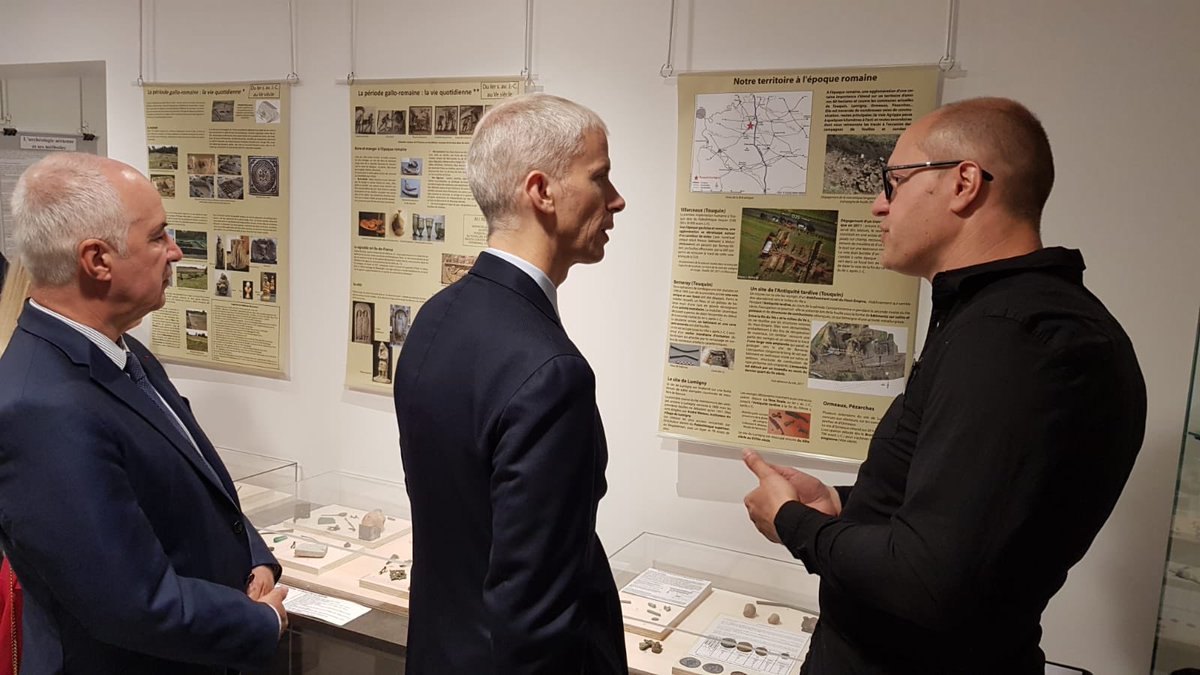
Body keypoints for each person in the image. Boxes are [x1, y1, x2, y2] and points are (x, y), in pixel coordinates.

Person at [742, 97, 1146, 674]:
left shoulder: (1014, 338)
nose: (880, 206)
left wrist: (794, 523)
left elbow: (931, 580)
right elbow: (966, 513)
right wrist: (840, 508)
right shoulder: (1006, 322)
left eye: (895, 182)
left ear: (964, 183)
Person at [0, 153, 288, 674]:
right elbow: (129, 601)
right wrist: (261, 621)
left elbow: (193, 482)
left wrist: (253, 554)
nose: (175, 251)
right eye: (157, 237)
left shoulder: (120, 351)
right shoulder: (40, 408)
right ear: (97, 260)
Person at [393, 93, 627, 675]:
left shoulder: (435, 317)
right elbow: (534, 616)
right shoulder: (552, 373)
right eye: (600, 177)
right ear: (541, 191)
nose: (616, 199)